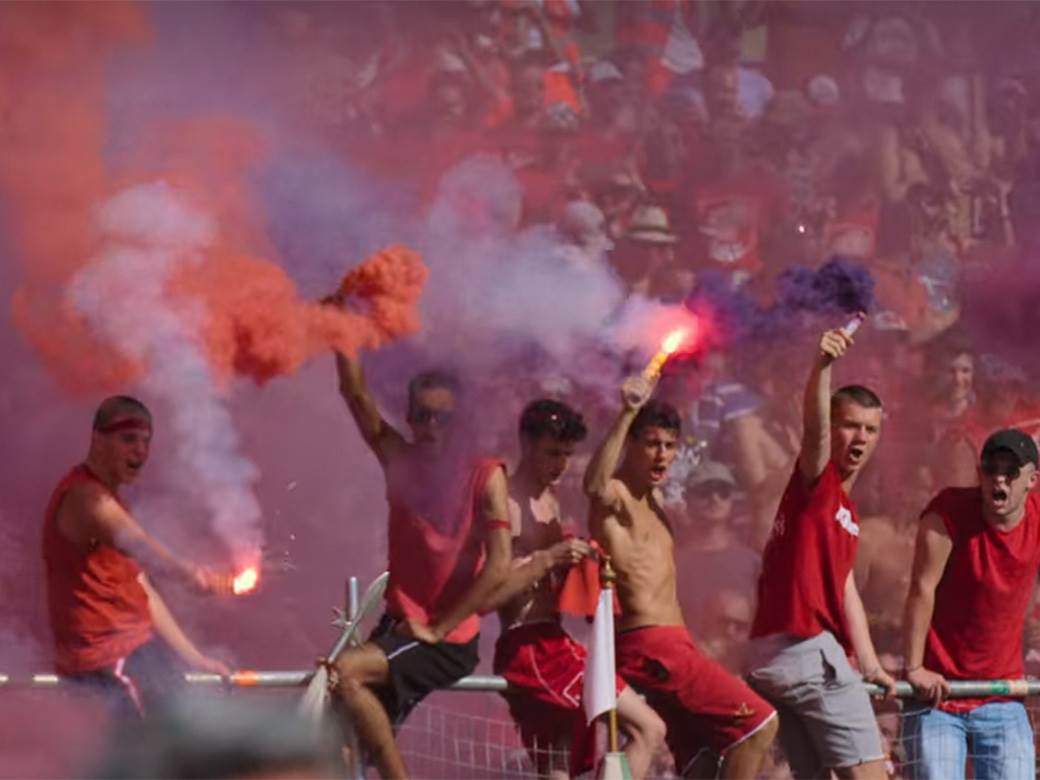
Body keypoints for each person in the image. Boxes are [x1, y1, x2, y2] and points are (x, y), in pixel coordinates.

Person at [327, 346, 511, 779]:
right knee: (337, 746)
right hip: (399, 628)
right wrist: (342, 331)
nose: (431, 427)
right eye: (422, 416)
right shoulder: (400, 461)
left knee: (346, 673)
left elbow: (500, 564)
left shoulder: (485, 474)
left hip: (446, 640)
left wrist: (440, 628)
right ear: (409, 419)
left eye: (442, 418)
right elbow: (356, 395)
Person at [583, 375, 778, 779]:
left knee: (704, 759)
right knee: (760, 725)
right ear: (631, 445)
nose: (662, 455)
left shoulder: (655, 501)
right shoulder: (617, 495)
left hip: (674, 644)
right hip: (653, 645)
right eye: (652, 444)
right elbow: (595, 485)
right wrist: (627, 412)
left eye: (669, 446)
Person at [745, 324, 898, 780]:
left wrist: (869, 661)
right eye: (850, 425)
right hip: (805, 651)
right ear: (832, 426)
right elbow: (813, 433)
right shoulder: (817, 482)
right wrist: (822, 367)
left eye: (870, 429)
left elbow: (844, 584)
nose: (861, 438)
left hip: (774, 657)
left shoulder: (844, 511)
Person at [487, 399, 665, 780]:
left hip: (555, 637)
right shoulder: (505, 502)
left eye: (567, 454)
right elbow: (486, 595)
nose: (561, 464)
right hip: (529, 646)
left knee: (558, 765)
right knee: (648, 728)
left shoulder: (550, 500)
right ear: (525, 443)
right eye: (552, 453)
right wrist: (551, 557)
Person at [42, 396, 232, 718]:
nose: (140, 451)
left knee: (183, 744)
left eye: (146, 441)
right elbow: (138, 544)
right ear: (97, 439)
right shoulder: (86, 497)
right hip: (104, 663)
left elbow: (141, 589)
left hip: (133, 656)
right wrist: (191, 576)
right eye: (128, 439)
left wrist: (194, 657)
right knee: (161, 752)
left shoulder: (111, 501)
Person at [901, 429, 1040, 779]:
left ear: (1032, 480)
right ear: (979, 474)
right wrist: (914, 668)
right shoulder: (948, 510)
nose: (999, 478)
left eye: (1010, 471)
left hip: (1002, 697)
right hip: (938, 698)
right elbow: (922, 588)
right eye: (991, 469)